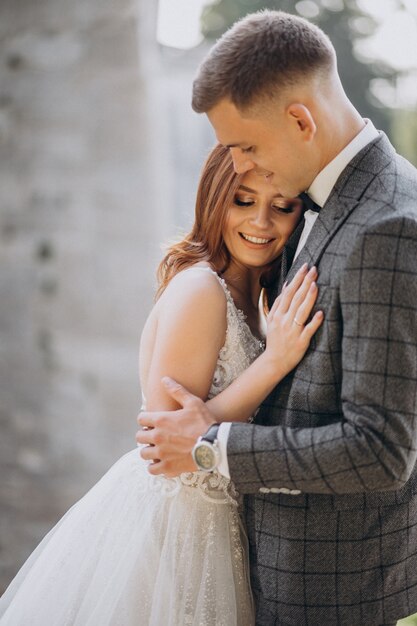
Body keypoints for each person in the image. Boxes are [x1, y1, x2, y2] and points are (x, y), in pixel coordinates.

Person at [137, 10, 417, 626]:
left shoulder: (388, 225)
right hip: (259, 563)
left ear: (299, 120)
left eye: (245, 145)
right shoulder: (328, 202)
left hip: (327, 586)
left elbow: (380, 451)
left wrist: (210, 446)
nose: (237, 166)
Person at [0, 143, 323, 625]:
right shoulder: (201, 289)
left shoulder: (255, 303)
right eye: (243, 200)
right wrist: (273, 362)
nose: (261, 222)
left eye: (282, 207)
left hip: (221, 525)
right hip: (178, 528)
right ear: (215, 198)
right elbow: (169, 446)